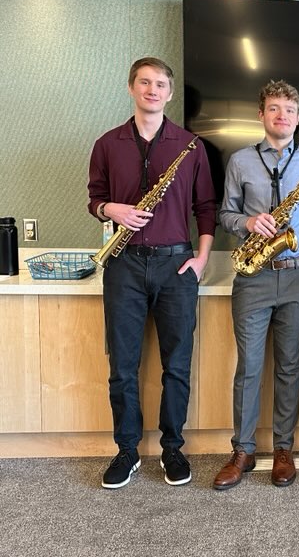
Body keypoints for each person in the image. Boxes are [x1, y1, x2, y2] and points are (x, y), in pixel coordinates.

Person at [87, 57, 216, 489]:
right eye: (144, 82)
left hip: (176, 266)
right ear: (131, 88)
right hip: (123, 263)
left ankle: (173, 447)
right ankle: (126, 450)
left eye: (160, 84)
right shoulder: (107, 144)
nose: (152, 90)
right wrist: (112, 209)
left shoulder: (190, 146)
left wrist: (201, 260)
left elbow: (206, 208)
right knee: (122, 367)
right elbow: (94, 199)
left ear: (170, 93)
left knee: (176, 365)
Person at [213, 80, 299, 490]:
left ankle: (284, 449)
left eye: (289, 110)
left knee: (290, 365)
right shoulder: (240, 160)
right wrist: (247, 222)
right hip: (253, 275)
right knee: (248, 367)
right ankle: (242, 450)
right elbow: (225, 214)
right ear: (261, 114)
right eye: (274, 108)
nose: (282, 116)